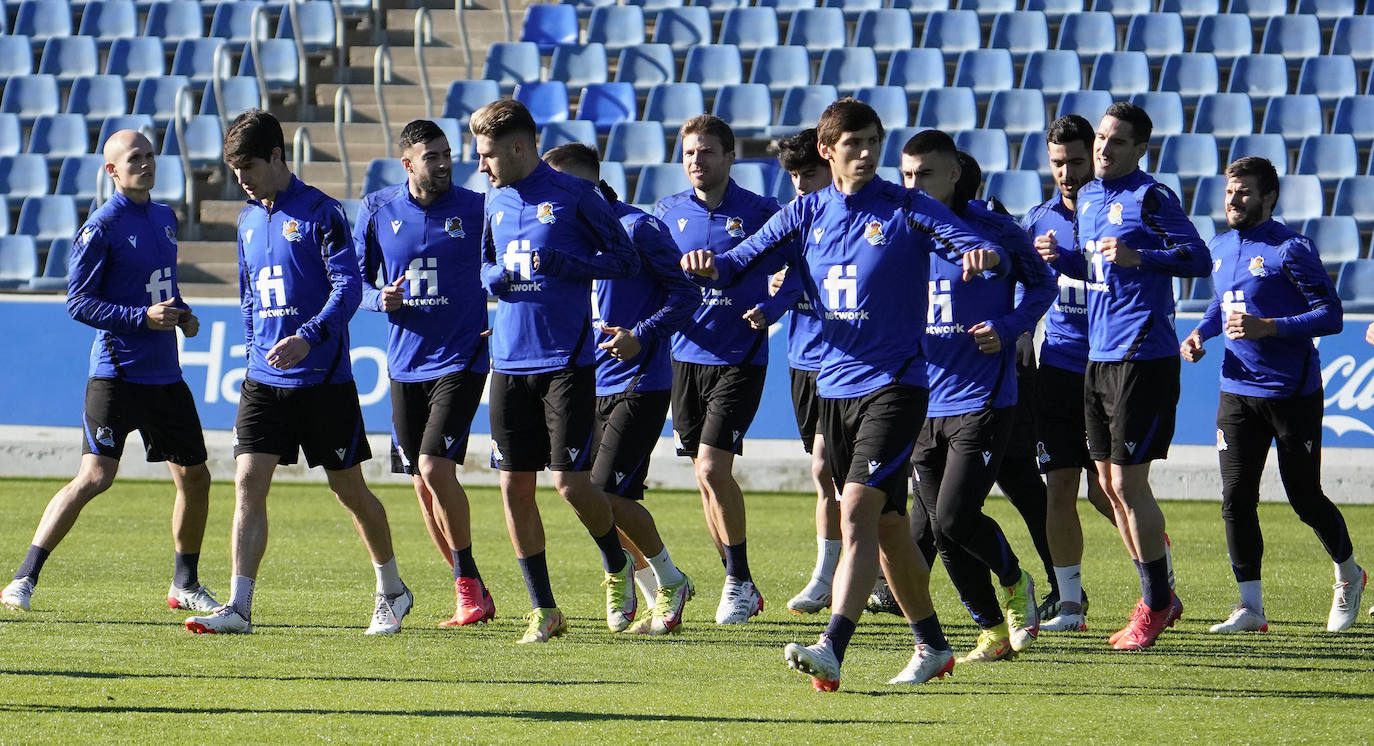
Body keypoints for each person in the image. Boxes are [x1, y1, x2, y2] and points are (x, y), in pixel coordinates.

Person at [684, 98, 1002, 691]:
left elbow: (972, 242)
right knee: (884, 530)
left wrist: (983, 255)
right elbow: (740, 262)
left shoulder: (906, 207)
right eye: (851, 143)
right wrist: (709, 266)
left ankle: (832, 646)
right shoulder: (806, 213)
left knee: (855, 508)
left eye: (872, 142)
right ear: (827, 150)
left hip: (896, 386)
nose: (864, 153)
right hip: (834, 387)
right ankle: (933, 645)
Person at [184, 109, 411, 635]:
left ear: (277, 157)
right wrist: (253, 352)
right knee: (247, 482)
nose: (240, 178)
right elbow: (247, 296)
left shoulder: (321, 213)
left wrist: (308, 338)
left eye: (248, 167)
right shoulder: (246, 218)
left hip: (322, 380)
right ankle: (239, 606)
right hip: (264, 380)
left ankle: (392, 591)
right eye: (234, 169)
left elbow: (349, 288)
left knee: (350, 490)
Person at [1, 130, 217, 615]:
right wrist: (142, 319)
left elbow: (159, 288)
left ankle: (185, 583)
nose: (145, 163)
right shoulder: (102, 226)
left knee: (196, 478)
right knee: (94, 477)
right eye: (134, 158)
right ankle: (23, 578)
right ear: (112, 171)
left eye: (149, 155)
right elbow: (78, 302)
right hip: (117, 373)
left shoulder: (165, 218)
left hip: (165, 375)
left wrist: (182, 315)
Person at [1040, 102, 1211, 650]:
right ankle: (1159, 597)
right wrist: (1062, 258)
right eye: (1101, 139)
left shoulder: (1151, 196)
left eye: (1116, 142)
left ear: (1140, 149)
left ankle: (1156, 603)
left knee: (1129, 485)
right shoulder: (1088, 198)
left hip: (1144, 355)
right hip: (1098, 356)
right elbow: (1096, 268)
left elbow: (1198, 258)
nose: (1103, 149)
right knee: (1109, 487)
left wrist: (1144, 256)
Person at [472, 100, 642, 643]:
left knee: (569, 484)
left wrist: (572, 265)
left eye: (489, 154)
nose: (482, 165)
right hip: (509, 359)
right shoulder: (494, 200)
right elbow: (485, 261)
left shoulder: (576, 197)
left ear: (519, 147)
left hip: (566, 359)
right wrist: (493, 277)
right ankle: (544, 608)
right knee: (512, 487)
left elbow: (624, 260)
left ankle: (617, 566)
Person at [1181, 156, 1364, 633]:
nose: (1233, 200)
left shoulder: (1292, 248)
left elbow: (1331, 315)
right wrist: (1201, 333)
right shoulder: (1220, 247)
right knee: (1235, 498)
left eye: (1243, 192)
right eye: (1229, 192)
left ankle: (1349, 573)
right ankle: (1251, 607)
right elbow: (1223, 303)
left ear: (1268, 198)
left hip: (1291, 393)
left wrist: (1271, 328)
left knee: (1304, 496)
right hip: (1236, 390)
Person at [899, 132, 1056, 660]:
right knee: (944, 533)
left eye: (923, 174)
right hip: (921, 399)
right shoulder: (901, 230)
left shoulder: (994, 230)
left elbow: (1043, 286)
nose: (912, 184)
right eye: (906, 175)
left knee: (952, 519)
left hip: (982, 398)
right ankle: (990, 628)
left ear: (952, 175)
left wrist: (1009, 327)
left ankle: (1015, 583)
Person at [542, 142, 699, 636]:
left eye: (559, 183)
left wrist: (642, 333)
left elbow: (687, 293)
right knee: (586, 493)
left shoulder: (638, 227)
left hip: (640, 381)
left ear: (586, 184)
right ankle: (658, 591)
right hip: (586, 380)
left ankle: (668, 580)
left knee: (603, 491)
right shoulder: (569, 237)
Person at [354, 119, 496, 627]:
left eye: (446, 154)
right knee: (419, 481)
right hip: (404, 361)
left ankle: (466, 588)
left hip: (462, 356)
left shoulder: (478, 209)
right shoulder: (377, 209)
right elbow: (352, 281)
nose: (443, 164)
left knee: (436, 468)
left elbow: (507, 270)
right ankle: (473, 586)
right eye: (431, 156)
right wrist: (378, 298)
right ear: (407, 163)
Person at [655, 115, 782, 624]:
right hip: (684, 357)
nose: (696, 161)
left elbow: (795, 263)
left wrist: (773, 301)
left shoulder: (762, 211)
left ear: (730, 157)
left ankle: (737, 579)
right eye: (689, 152)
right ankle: (740, 582)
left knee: (713, 468)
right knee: (703, 479)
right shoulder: (666, 213)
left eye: (707, 152)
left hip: (739, 356)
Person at [1022, 115, 1123, 632]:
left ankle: (1159, 577)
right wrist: (1019, 329)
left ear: (1096, 157)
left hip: (1111, 368)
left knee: (1110, 491)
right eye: (1058, 163)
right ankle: (1069, 604)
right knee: (1058, 487)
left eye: (1076, 161)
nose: (1067, 172)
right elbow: (1019, 286)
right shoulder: (1038, 220)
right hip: (1058, 369)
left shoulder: (1118, 214)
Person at [742, 129, 839, 614]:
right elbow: (768, 264)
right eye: (795, 176)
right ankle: (859, 572)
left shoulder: (857, 220)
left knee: (830, 470)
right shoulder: (792, 219)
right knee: (825, 476)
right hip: (802, 359)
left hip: (848, 362)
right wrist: (771, 299)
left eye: (810, 173)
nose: (801, 184)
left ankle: (829, 578)